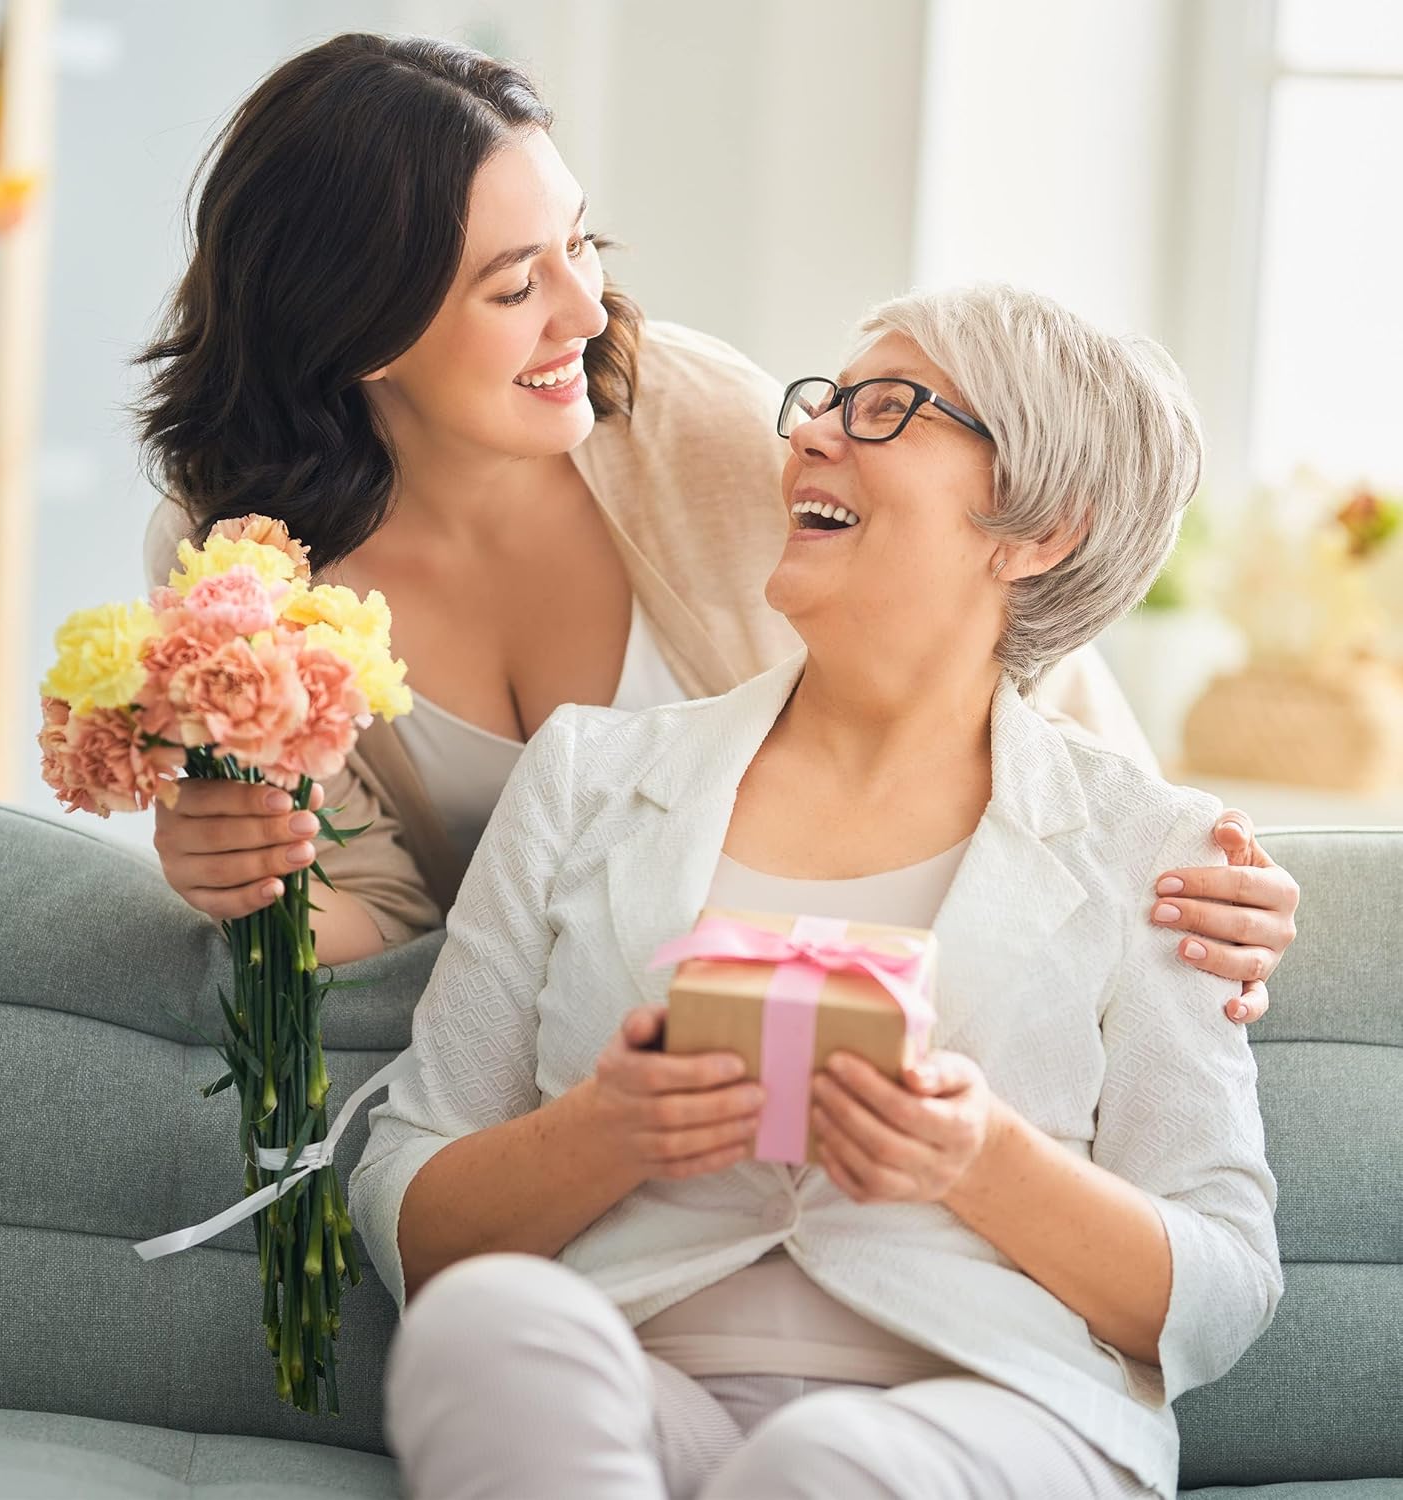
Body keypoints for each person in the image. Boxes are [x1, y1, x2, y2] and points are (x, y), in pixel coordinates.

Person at [139, 33, 1298, 1018]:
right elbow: (390, 923)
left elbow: (995, 627)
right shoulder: (238, 567)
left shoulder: (691, 420)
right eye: (516, 286)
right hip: (573, 1042)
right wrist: (252, 880)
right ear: (360, 332)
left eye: (578, 243)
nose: (588, 312)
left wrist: (1176, 879)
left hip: (852, 994)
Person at [350, 283, 1282, 1500]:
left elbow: (1222, 1288)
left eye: (888, 408)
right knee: (486, 1330)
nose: (809, 434)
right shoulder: (587, 775)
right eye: (823, 402)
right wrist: (605, 1131)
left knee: (826, 1461)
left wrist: (979, 1159)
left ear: (1041, 529)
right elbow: (409, 1202)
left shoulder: (1154, 845)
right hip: (637, 1392)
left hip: (994, 1409)